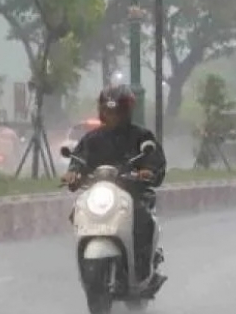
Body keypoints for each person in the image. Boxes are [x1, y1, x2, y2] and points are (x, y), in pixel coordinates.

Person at [61, 84, 168, 293]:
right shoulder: (91, 139)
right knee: (76, 213)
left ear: (127, 111)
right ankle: (86, 267)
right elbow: (79, 160)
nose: (113, 116)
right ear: (101, 111)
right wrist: (73, 173)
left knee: (142, 220)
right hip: (99, 195)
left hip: (132, 194)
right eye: (108, 111)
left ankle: (145, 271)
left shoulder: (142, 136)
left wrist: (147, 171)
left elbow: (155, 161)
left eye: (117, 111)